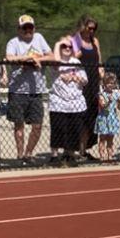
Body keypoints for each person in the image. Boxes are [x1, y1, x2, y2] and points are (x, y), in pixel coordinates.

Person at [5, 14, 54, 164]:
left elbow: (51, 56)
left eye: (30, 27)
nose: (28, 30)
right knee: (18, 125)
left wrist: (38, 59)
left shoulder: (39, 38)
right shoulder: (13, 42)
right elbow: (9, 57)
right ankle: (20, 155)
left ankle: (29, 153)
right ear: (19, 29)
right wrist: (27, 59)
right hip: (18, 91)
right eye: (24, 27)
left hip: (37, 90)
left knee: (37, 125)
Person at [47, 36, 87, 167]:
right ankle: (54, 156)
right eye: (64, 46)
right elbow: (56, 62)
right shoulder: (55, 60)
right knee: (59, 128)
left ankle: (69, 154)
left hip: (75, 103)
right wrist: (59, 43)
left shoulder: (76, 61)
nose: (67, 48)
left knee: (74, 129)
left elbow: (85, 79)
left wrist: (76, 78)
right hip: (59, 102)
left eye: (70, 46)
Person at [72, 15, 103, 160]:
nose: (91, 31)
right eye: (89, 28)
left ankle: (83, 149)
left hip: (94, 83)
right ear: (83, 26)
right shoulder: (75, 40)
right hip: (80, 83)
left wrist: (102, 72)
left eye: (94, 28)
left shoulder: (95, 41)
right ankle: (74, 149)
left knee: (91, 117)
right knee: (79, 117)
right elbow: (69, 59)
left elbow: (99, 61)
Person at [95, 72, 120, 162]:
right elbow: (102, 106)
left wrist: (119, 102)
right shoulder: (101, 94)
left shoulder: (116, 94)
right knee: (102, 138)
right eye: (108, 83)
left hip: (112, 117)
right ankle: (102, 156)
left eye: (112, 83)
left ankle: (110, 155)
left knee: (110, 139)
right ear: (104, 84)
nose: (110, 85)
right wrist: (109, 102)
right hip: (103, 118)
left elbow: (119, 108)